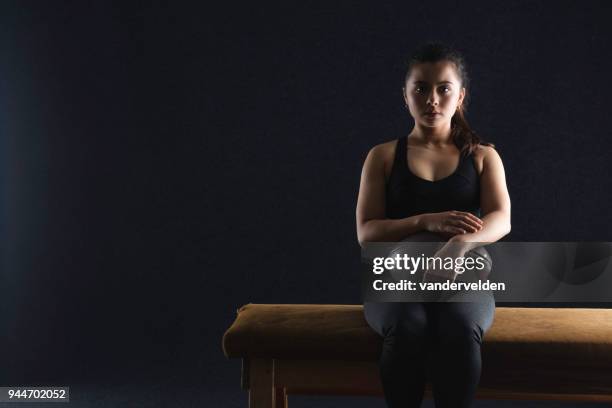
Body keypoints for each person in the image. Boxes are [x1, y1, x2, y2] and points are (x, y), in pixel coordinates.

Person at [355, 42, 511, 408]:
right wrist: (425, 220)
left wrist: (458, 244)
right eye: (420, 88)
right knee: (408, 326)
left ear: (460, 96)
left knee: (457, 326)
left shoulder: (483, 155)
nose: (432, 99)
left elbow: (501, 218)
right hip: (395, 276)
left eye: (444, 88)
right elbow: (367, 233)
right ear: (405, 95)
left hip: (461, 275)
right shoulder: (382, 156)